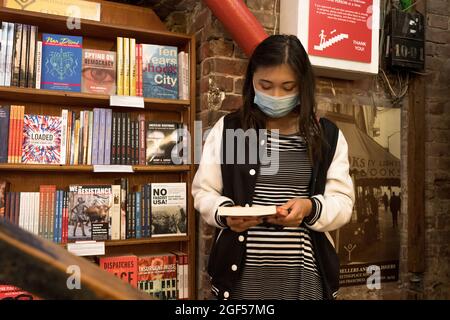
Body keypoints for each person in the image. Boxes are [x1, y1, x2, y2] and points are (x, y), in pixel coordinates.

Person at [192, 35, 355, 300]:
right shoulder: (233, 130)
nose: (276, 96)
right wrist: (226, 214)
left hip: (303, 278)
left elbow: (342, 202)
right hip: (240, 278)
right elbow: (204, 192)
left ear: (303, 86)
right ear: (251, 82)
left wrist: (310, 207)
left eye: (288, 87)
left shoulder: (326, 136)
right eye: (265, 85)